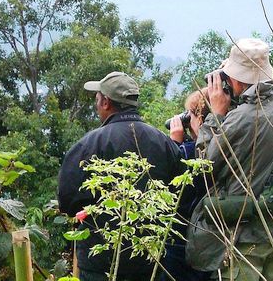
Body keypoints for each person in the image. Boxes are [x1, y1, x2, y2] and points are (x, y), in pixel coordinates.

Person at [193, 38, 273, 281]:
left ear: (235, 78)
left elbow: (204, 167)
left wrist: (215, 116)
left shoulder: (243, 117)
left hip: (246, 231)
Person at [57, 71, 184, 281]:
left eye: (97, 99)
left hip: (101, 264)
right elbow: (180, 196)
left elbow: (67, 202)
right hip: (150, 261)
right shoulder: (165, 144)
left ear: (106, 102)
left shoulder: (89, 145)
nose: (97, 104)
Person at [160, 89, 212, 281]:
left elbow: (170, 190)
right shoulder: (226, 146)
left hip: (182, 240)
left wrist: (174, 143)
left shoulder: (188, 152)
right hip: (214, 240)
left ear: (198, 117)